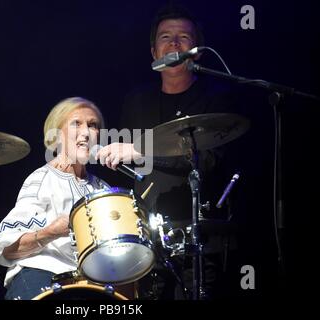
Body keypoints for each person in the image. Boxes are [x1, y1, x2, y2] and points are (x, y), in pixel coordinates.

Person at [96, 4, 242, 299]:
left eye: (183, 38)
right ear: (154, 52)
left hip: (201, 234)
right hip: (147, 237)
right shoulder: (136, 101)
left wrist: (137, 149)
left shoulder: (216, 99)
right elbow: (132, 171)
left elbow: (209, 161)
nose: (174, 44)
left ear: (198, 51)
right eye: (165, 37)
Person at [0, 97, 110, 300]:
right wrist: (51, 232)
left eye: (92, 125)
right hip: (42, 276)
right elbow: (7, 249)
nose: (86, 132)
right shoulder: (41, 180)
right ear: (57, 136)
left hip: (91, 284)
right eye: (76, 123)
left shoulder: (102, 189)